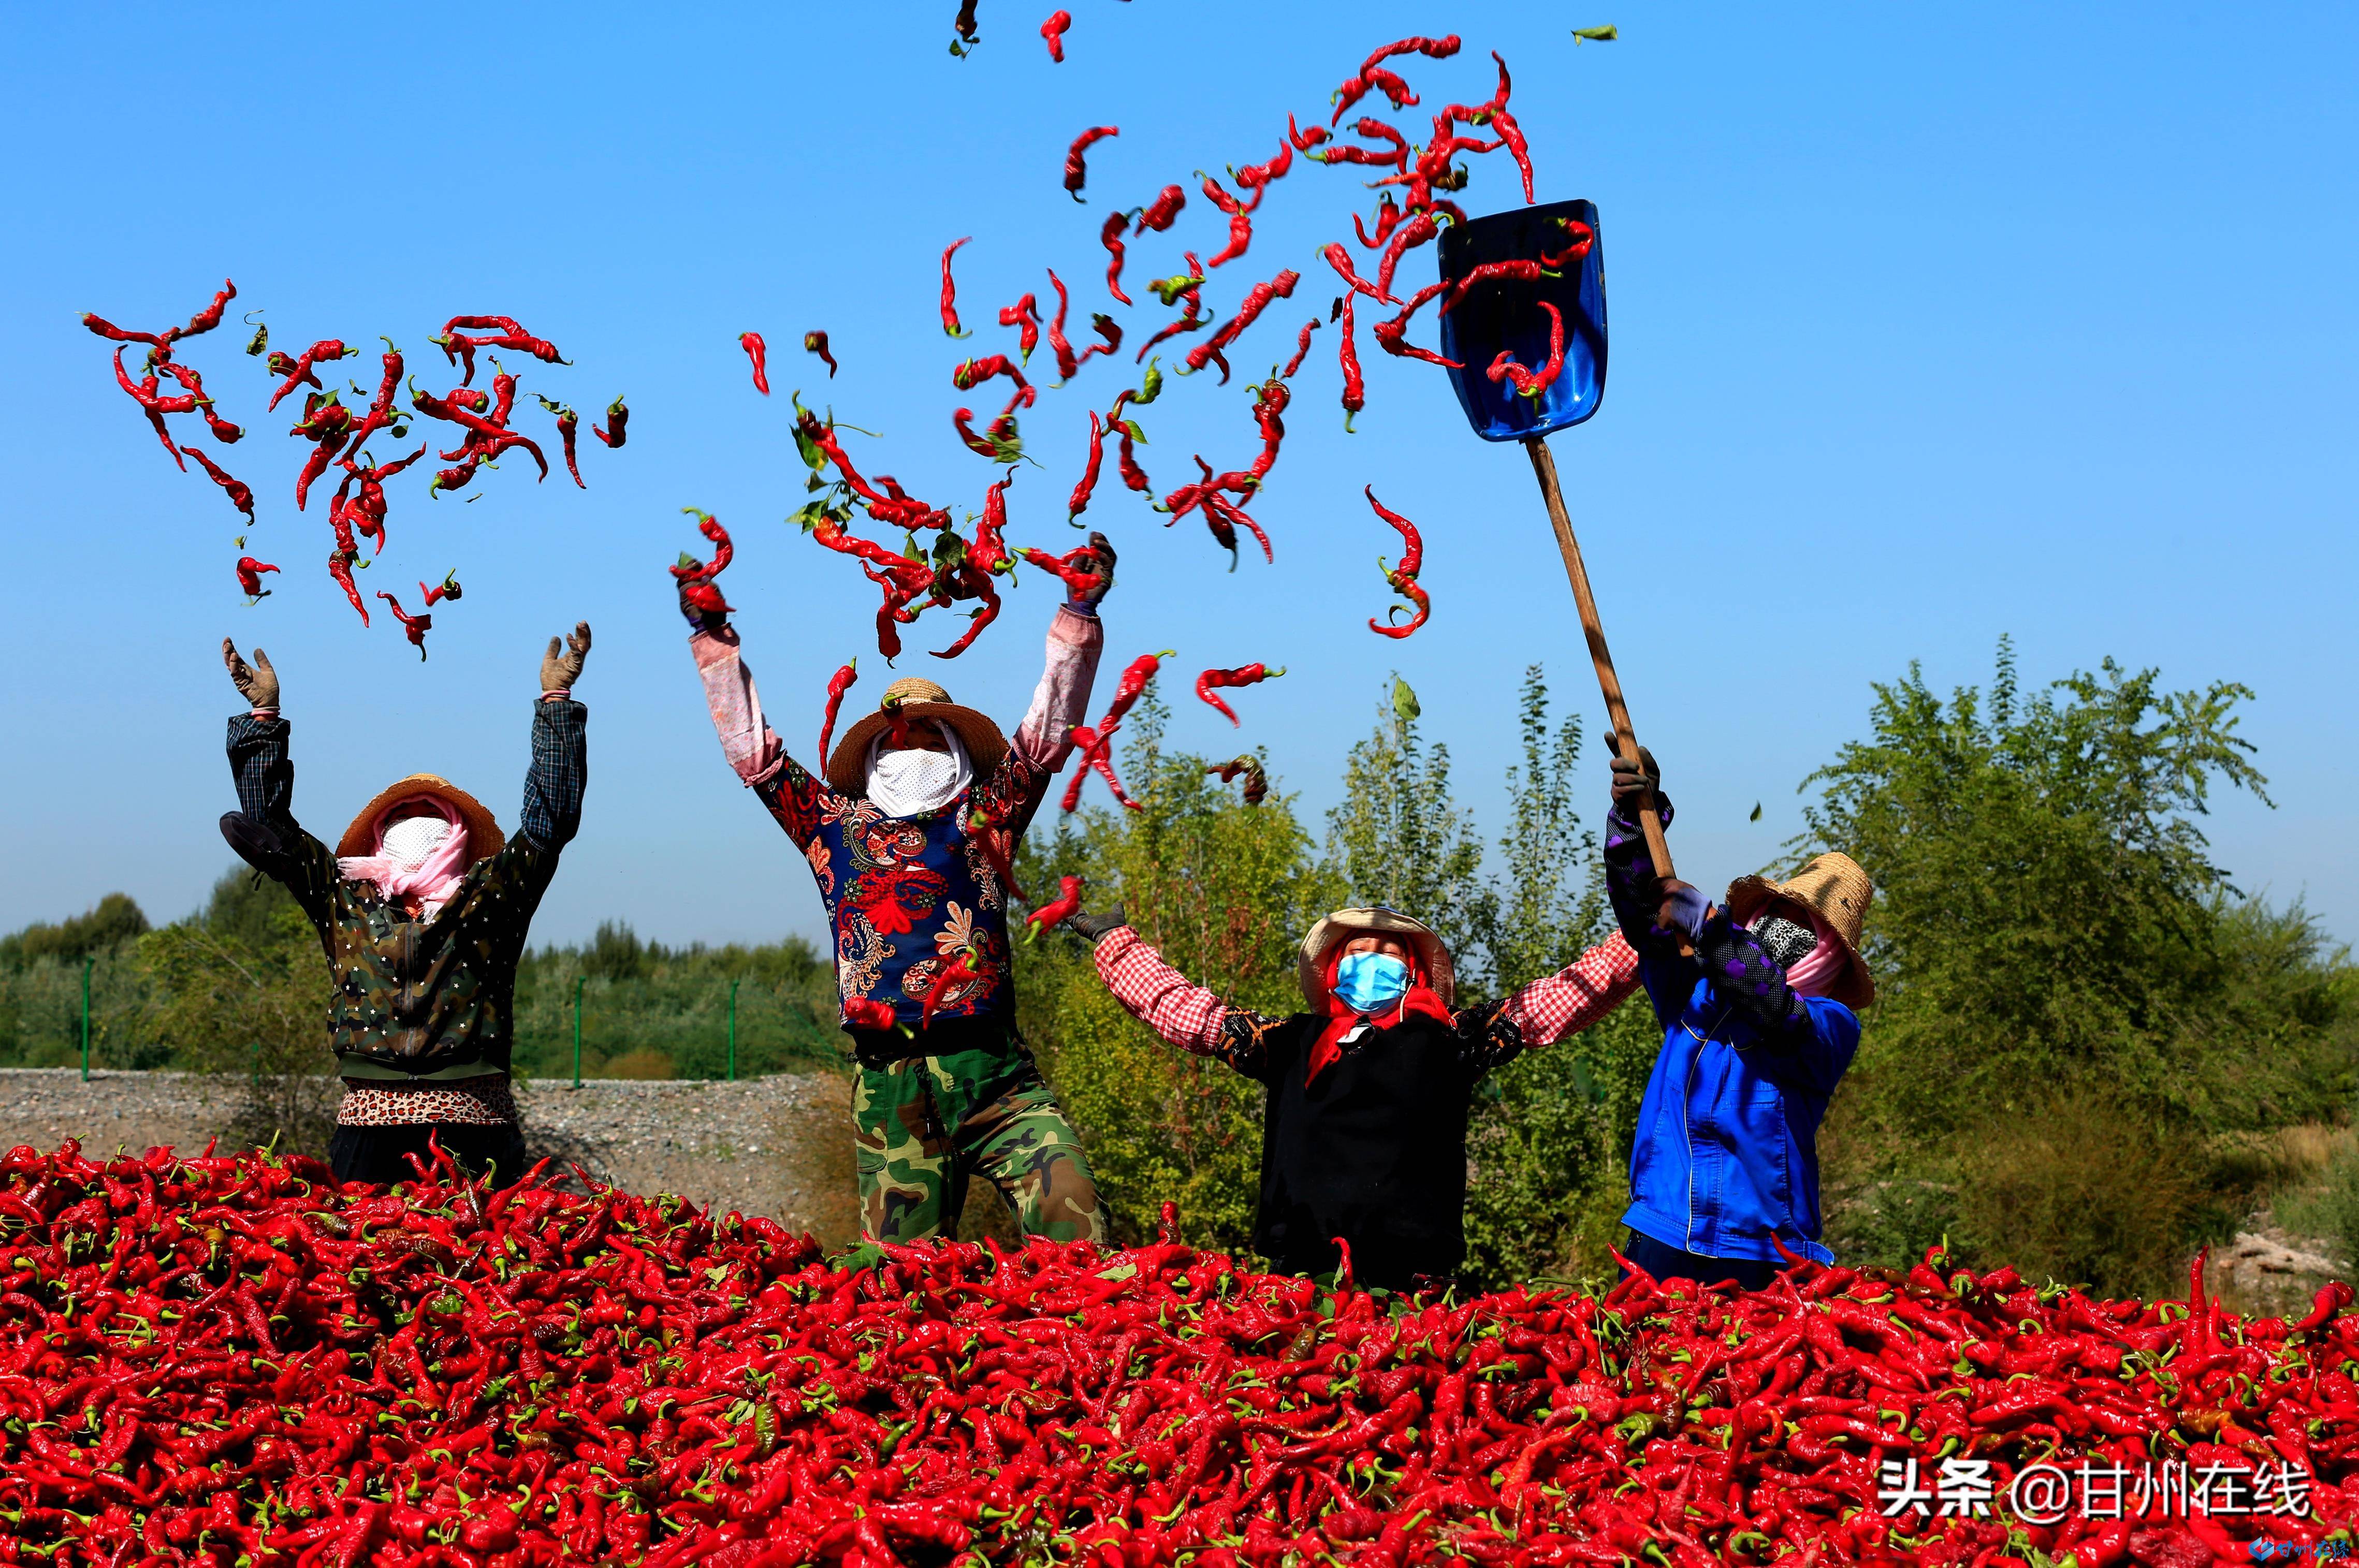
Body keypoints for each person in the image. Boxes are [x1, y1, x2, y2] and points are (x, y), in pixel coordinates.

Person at [682, 537, 1118, 1244]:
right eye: (899, 738)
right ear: (876, 754)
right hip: (894, 1087)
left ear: (954, 747)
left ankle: (1092, 1341)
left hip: (995, 1075)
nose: (912, 747)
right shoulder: (831, 827)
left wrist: (1077, 614)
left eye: (929, 735)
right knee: (901, 1280)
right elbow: (757, 757)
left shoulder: (991, 813)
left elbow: (1045, 736)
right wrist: (712, 637)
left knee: (1072, 1206)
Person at [1061, 900, 1643, 1290]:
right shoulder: (1288, 1042)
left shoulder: (1448, 1042)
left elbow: (1549, 1003)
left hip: (1413, 1273)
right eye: (1360, 952)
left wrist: (1643, 934)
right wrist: (1118, 944)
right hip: (1300, 1271)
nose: (1374, 962)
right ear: (1337, 970)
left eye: (1390, 955)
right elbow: (1194, 1014)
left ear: (1413, 974)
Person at [217, 623, 592, 1188]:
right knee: (362, 1263)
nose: (416, 832)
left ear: (459, 838)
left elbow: (549, 824)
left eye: (435, 820)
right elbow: (272, 831)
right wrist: (263, 718)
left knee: (478, 1267)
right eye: (399, 820)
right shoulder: (345, 899)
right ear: (377, 840)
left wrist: (555, 706)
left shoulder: (491, 896)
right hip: (370, 1121)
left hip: (474, 1119)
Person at [1602, 748, 1877, 1288]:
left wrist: (1706, 926)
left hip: (1762, 1248)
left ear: (1830, 954)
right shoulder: (1696, 989)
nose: (1783, 932)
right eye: (1777, 915)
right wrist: (1636, 817)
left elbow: (1773, 1007)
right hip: (1663, 1227)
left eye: (1805, 928)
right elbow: (1642, 915)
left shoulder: (1829, 1024)